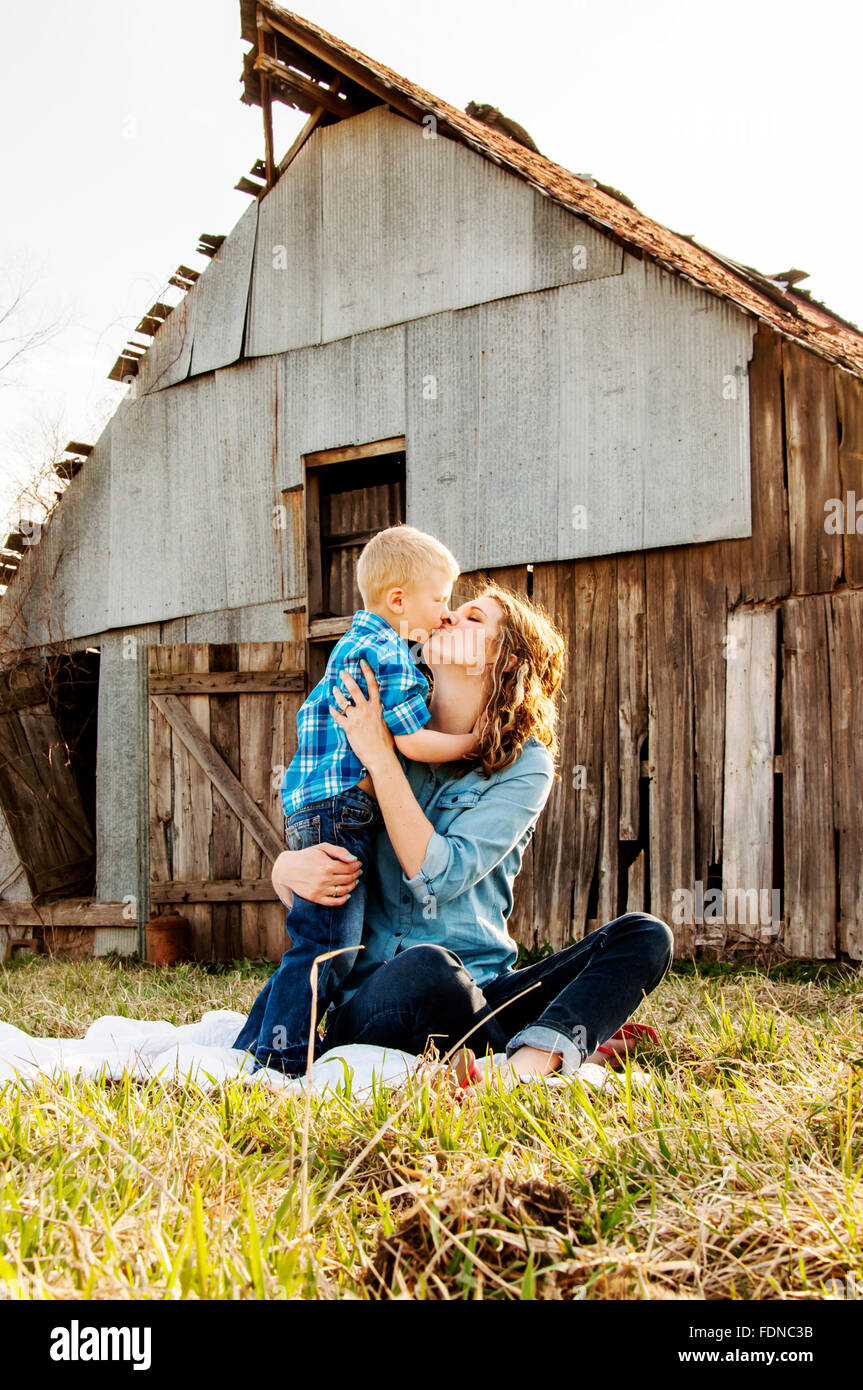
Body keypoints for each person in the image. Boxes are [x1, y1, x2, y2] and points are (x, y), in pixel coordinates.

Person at [266, 580, 675, 1091]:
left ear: (504, 661)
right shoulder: (378, 725)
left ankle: (524, 1070)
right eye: (453, 610)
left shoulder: (524, 765)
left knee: (645, 934)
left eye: (473, 618)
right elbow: (323, 844)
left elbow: (437, 879)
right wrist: (284, 870)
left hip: (483, 993)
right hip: (379, 1001)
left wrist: (380, 760)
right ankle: (553, 1045)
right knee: (429, 970)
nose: (449, 617)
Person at [233, 525, 479, 1075]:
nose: (447, 611)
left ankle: (252, 1044)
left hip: (323, 811)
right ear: (398, 600)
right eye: (440, 598)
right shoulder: (385, 650)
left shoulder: (364, 640)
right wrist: (473, 741)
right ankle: (280, 1059)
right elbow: (412, 739)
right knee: (328, 950)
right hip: (338, 815)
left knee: (317, 944)